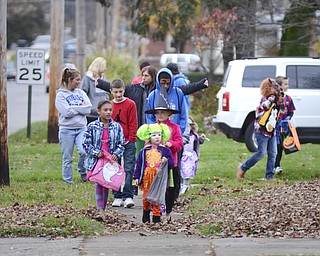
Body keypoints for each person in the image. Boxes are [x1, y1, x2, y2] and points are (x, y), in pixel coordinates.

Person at [95, 65, 208, 156]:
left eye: (146, 76)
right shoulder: (135, 88)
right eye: (142, 75)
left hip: (164, 129)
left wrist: (202, 84)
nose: (143, 78)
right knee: (142, 155)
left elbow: (186, 89)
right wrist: (100, 84)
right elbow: (118, 88)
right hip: (143, 127)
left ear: (153, 77)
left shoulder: (161, 89)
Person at [145, 86, 184, 220]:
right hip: (154, 164)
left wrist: (170, 144)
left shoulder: (175, 128)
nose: (160, 115)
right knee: (156, 187)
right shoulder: (152, 128)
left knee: (170, 188)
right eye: (158, 112)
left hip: (170, 162)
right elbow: (146, 144)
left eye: (163, 112)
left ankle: (168, 210)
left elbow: (179, 143)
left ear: (169, 114)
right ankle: (156, 211)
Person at [82, 100, 125, 221]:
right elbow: (85, 143)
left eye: (110, 110)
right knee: (98, 183)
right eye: (105, 110)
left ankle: (103, 209)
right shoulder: (92, 126)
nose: (108, 112)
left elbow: (121, 143)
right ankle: (100, 209)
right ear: (99, 111)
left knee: (106, 184)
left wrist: (116, 154)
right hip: (96, 161)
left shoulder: (117, 127)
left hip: (110, 161)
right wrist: (96, 153)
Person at [237, 78, 284, 181]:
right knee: (261, 153)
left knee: (273, 153)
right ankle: (242, 168)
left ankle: (269, 176)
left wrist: (279, 98)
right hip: (262, 131)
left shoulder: (276, 100)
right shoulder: (265, 99)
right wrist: (273, 98)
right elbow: (264, 107)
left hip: (272, 131)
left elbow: (282, 109)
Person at [55, 67, 92, 184]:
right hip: (66, 129)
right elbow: (66, 112)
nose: (79, 82)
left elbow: (88, 109)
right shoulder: (60, 95)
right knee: (67, 156)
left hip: (81, 128)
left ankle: (82, 172)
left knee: (83, 151)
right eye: (77, 80)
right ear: (70, 80)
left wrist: (73, 108)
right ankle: (68, 180)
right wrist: (80, 108)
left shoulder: (81, 93)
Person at [133, 123, 174, 223]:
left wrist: (166, 161)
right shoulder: (144, 151)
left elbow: (172, 164)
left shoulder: (165, 150)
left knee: (157, 198)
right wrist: (137, 177)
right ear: (148, 137)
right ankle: (146, 213)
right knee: (146, 197)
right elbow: (139, 164)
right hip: (147, 177)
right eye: (154, 135)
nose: (157, 137)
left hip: (159, 178)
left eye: (159, 135)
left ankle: (156, 217)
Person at [109, 79, 138, 208]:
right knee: (114, 168)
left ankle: (128, 195)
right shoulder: (109, 105)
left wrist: (131, 138)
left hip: (128, 141)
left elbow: (133, 122)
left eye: (120, 91)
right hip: (114, 143)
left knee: (129, 168)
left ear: (124, 90)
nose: (119, 95)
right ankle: (117, 195)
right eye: (116, 92)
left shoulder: (130, 104)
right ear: (111, 91)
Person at [146, 67, 188, 134]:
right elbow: (149, 117)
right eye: (163, 83)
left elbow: (183, 114)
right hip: (158, 134)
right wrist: (155, 131)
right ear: (158, 81)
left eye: (168, 83)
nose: (165, 86)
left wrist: (179, 131)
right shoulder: (153, 95)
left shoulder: (178, 93)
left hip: (175, 133)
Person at [179, 116, 206, 195]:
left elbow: (197, 143)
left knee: (188, 170)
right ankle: (181, 184)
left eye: (189, 125)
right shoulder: (180, 136)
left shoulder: (194, 136)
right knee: (181, 170)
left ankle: (185, 185)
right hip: (182, 155)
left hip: (191, 156)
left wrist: (202, 139)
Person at [274, 76, 296, 174]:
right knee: (275, 147)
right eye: (285, 84)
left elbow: (291, 111)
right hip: (275, 128)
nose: (287, 86)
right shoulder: (274, 98)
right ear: (279, 86)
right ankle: (273, 165)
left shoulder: (288, 98)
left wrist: (288, 118)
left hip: (284, 128)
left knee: (281, 147)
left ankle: (277, 165)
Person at [80, 57, 109, 123]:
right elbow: (82, 93)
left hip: (102, 114)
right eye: (104, 66)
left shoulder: (104, 78)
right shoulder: (88, 78)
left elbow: (107, 92)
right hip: (90, 114)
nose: (105, 68)